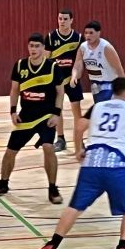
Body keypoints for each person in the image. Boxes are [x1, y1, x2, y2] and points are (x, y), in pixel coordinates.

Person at [33, 77, 125, 249]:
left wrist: (79, 149)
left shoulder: (98, 107)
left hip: (91, 164)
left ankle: (51, 245)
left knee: (75, 206)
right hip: (115, 165)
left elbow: (79, 127)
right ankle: (123, 248)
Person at [0, 34, 66, 204]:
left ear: (43, 48)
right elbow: (14, 90)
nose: (33, 49)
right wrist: (13, 111)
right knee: (10, 151)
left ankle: (53, 188)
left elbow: (60, 92)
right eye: (31, 46)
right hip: (26, 116)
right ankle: (3, 183)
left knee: (48, 148)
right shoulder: (20, 65)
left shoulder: (52, 67)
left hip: (46, 116)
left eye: (37, 46)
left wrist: (56, 113)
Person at [42, 8, 83, 152]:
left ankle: (79, 140)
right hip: (57, 81)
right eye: (60, 18)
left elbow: (79, 60)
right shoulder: (51, 37)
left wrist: (75, 76)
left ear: (71, 20)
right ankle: (60, 139)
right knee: (57, 110)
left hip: (72, 79)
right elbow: (46, 59)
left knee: (76, 110)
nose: (62, 21)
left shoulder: (78, 38)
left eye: (65, 19)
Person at [71, 21, 125, 105]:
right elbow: (77, 65)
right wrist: (74, 77)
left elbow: (118, 68)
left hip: (109, 84)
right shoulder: (83, 47)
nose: (88, 35)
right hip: (95, 84)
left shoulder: (106, 48)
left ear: (98, 33)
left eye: (91, 33)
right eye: (86, 33)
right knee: (99, 107)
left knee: (106, 108)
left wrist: (124, 88)